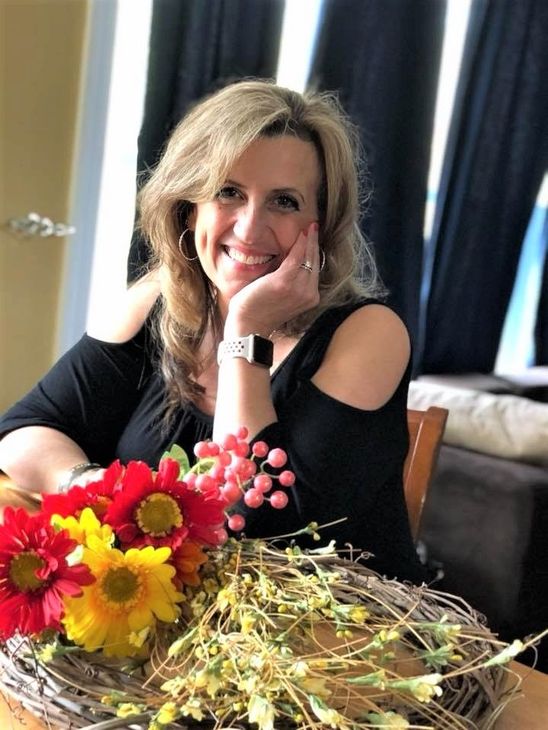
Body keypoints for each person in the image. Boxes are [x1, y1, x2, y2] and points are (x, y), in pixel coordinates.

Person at [0, 79, 426, 583]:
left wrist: (245, 331)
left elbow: (255, 526)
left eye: (284, 201)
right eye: (228, 192)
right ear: (188, 206)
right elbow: (23, 429)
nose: (249, 228)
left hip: (342, 639)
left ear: (322, 223)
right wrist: (87, 484)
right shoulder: (156, 301)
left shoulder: (370, 333)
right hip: (173, 627)